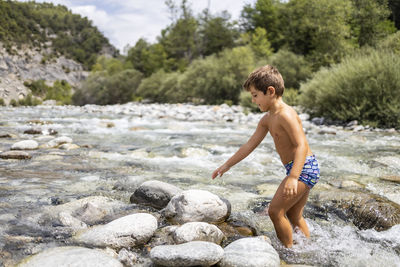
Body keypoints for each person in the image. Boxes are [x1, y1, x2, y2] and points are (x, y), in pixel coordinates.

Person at [211, 65, 320, 248]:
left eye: (255, 95)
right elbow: (249, 145)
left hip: (303, 168)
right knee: (293, 215)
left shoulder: (286, 115)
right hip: (301, 168)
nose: (253, 101)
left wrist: (293, 177)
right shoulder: (267, 119)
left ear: (270, 91)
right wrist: (227, 165)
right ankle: (307, 249)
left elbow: (301, 145)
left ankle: (289, 252)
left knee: (275, 211)